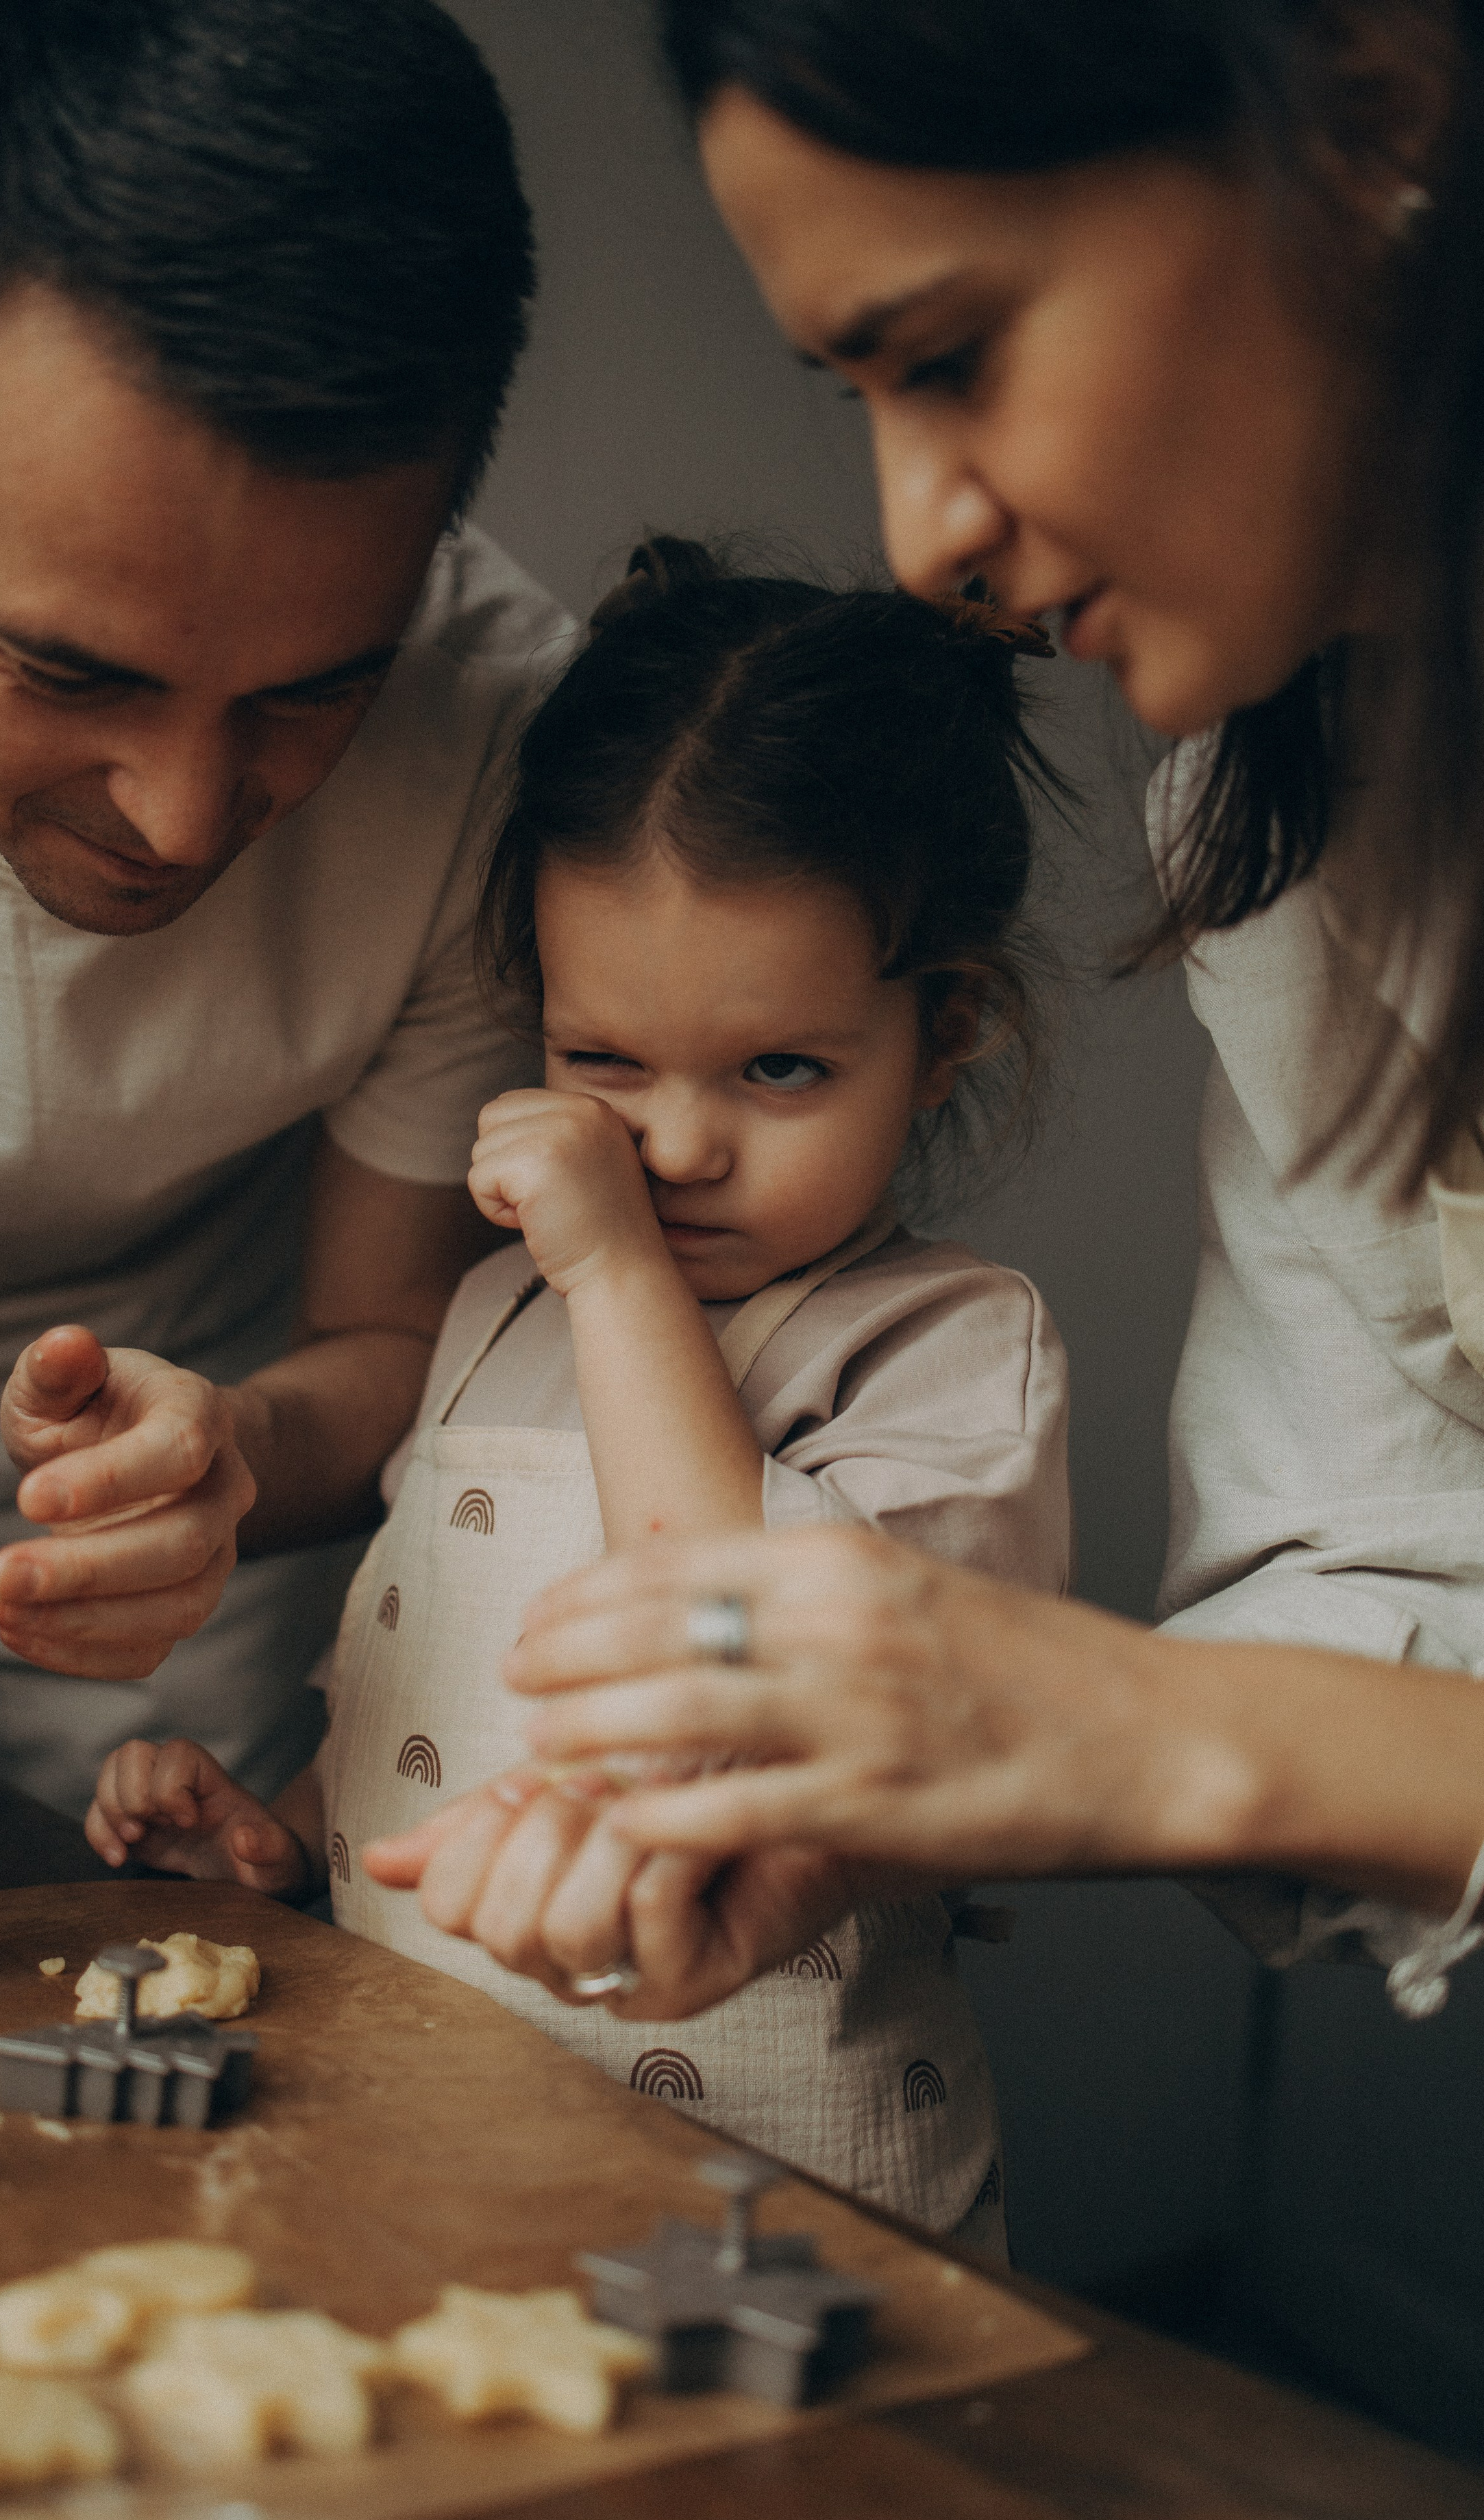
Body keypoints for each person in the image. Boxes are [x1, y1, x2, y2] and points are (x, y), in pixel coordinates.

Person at [396, 0, 1484, 2036]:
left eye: (958, 355)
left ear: (1376, 111)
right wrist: (944, 1787)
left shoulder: (951, 1351)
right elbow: (1374, 1574)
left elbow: (1225, 1717)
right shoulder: (1279, 830)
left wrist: (1136, 1730)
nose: (923, 539)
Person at [82, 538, 1069, 2240]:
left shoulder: (947, 1353)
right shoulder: (487, 1315)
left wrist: (613, 1272)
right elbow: (432, 1714)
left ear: (944, 1031)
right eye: (600, 1058)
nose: (674, 1146)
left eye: (776, 1070)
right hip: (438, 2163)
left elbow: (747, 1675)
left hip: (791, 2216)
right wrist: (283, 1844)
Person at [0, 0, 566, 1878]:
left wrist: (230, 1463)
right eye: (65, 668)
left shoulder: (509, 734)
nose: (184, 820)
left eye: (311, 693)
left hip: (204, 1662)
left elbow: (389, 1328)